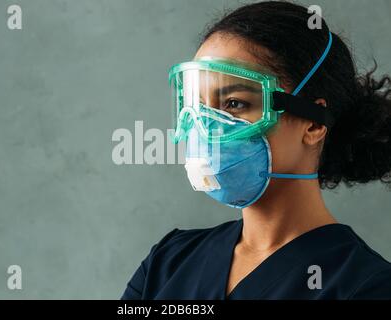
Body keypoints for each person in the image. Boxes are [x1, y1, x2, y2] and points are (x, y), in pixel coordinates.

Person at [121, 1, 391, 300]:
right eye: (196, 106)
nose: (205, 127)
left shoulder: (366, 286)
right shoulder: (168, 262)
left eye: (235, 103)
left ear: (313, 124)